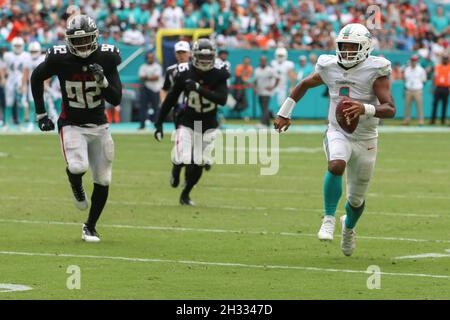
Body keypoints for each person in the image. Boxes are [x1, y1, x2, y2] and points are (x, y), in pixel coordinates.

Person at [274, 23, 396, 256]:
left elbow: (390, 109)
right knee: (336, 163)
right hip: (337, 130)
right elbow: (303, 84)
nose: (347, 51)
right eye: (343, 46)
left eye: (353, 47)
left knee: (356, 200)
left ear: (365, 47)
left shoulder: (376, 70)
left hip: (366, 137)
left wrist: (364, 108)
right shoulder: (329, 65)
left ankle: (348, 227)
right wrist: (284, 112)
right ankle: (328, 218)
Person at [31, 14, 122, 242]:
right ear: (69, 41)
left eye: (86, 40)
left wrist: (103, 82)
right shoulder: (59, 59)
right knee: (78, 165)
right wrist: (41, 113)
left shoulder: (107, 58)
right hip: (72, 123)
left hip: (99, 124)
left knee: (104, 179)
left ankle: (90, 226)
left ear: (95, 38)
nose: (82, 45)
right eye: (77, 41)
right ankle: (75, 183)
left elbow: (117, 98)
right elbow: (36, 77)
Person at [154, 38, 229, 206]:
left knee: (200, 162)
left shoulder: (219, 73)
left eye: (208, 57)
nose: (204, 61)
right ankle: (176, 165)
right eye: (201, 57)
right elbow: (171, 99)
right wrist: (158, 122)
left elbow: (222, 99)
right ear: (194, 56)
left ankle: (185, 194)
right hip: (188, 120)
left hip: (208, 124)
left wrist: (198, 89)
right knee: (185, 157)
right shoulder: (184, 72)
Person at [3, 37, 30, 130]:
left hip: (20, 79)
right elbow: (3, 68)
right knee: (8, 102)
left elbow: (26, 71)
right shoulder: (7, 55)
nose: (18, 47)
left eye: (19, 45)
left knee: (21, 102)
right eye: (16, 45)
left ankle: (21, 124)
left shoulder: (26, 55)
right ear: (12, 46)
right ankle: (6, 123)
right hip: (10, 78)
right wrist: (3, 79)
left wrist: (23, 84)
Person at [21, 41, 46, 131]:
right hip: (32, 85)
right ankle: (32, 123)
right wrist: (22, 85)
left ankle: (45, 122)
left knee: (45, 104)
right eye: (32, 52)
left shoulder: (43, 58)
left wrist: (46, 83)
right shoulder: (27, 59)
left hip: (43, 84)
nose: (33, 53)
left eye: (35, 51)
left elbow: (49, 73)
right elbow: (25, 74)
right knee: (32, 105)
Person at [138, 52, 162, 130]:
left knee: (156, 108)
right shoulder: (143, 66)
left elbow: (157, 77)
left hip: (155, 89)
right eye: (148, 57)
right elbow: (141, 77)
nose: (149, 59)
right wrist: (151, 77)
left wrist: (147, 77)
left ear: (153, 58)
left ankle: (157, 125)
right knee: (143, 107)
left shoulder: (157, 67)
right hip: (145, 88)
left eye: (151, 57)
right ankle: (142, 126)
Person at [254, 55, 278, 127]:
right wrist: (255, 88)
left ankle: (262, 123)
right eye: (262, 60)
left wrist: (273, 87)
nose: (263, 62)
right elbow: (255, 81)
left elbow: (278, 78)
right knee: (263, 108)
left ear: (266, 61)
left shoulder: (270, 69)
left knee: (264, 107)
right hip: (260, 91)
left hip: (267, 92)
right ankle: (268, 123)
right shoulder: (257, 70)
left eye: (264, 61)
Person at [403, 55, 427, 125]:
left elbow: (424, 80)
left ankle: (421, 121)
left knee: (419, 106)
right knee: (407, 106)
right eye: (412, 60)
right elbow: (405, 79)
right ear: (410, 61)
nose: (413, 62)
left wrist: (419, 86)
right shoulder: (407, 69)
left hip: (417, 90)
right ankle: (406, 120)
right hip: (408, 90)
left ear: (417, 61)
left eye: (415, 60)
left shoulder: (421, 70)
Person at [430, 55, 450, 125]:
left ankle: (443, 120)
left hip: (446, 88)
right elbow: (434, 77)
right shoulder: (438, 67)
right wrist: (432, 87)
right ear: (442, 60)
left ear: (448, 60)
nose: (445, 60)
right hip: (438, 87)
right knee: (435, 104)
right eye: (444, 59)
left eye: (446, 59)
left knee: (445, 105)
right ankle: (433, 120)